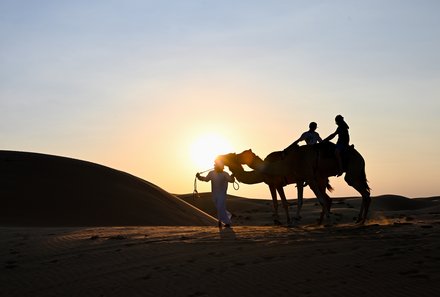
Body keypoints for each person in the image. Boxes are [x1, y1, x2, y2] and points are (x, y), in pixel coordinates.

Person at [196, 160, 235, 228]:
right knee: (219, 207)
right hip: (214, 194)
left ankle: (226, 222)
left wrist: (233, 176)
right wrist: (199, 177)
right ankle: (227, 216)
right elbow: (206, 179)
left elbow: (231, 180)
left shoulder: (225, 174)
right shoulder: (211, 173)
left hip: (222, 194)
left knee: (220, 206)